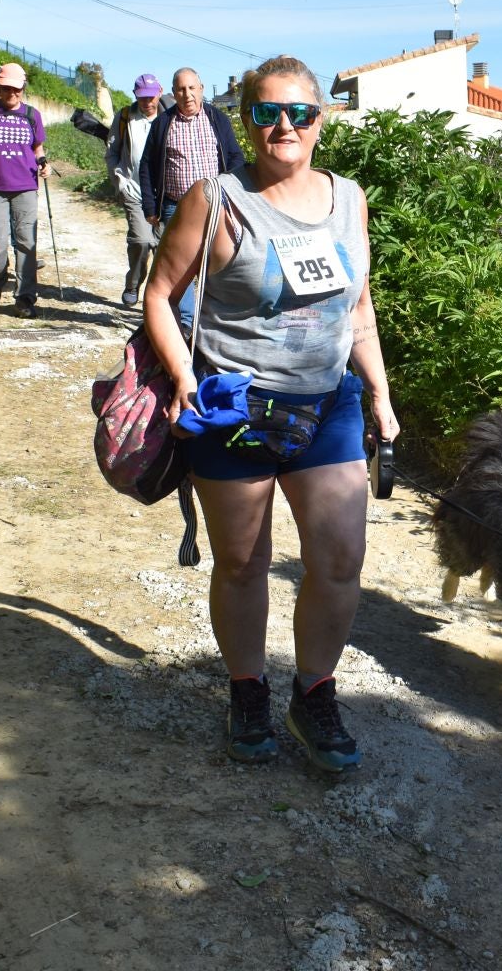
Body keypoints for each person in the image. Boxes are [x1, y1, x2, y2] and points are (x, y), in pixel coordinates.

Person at [143, 55, 399, 773]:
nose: (283, 126)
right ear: (246, 121)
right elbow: (159, 293)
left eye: (299, 113)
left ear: (322, 120)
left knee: (340, 561)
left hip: (329, 405)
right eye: (265, 113)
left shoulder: (349, 199)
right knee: (244, 561)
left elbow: (360, 307)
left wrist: (378, 392)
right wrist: (185, 376)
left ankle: (313, 692)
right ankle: (247, 689)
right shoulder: (215, 198)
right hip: (238, 411)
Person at [136, 67, 243, 237]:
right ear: (173, 93)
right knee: (179, 262)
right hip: (175, 208)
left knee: (216, 260)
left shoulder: (218, 119)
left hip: (215, 206)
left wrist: (232, 194)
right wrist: (150, 206)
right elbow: (146, 166)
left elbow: (235, 157)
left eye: (192, 88)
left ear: (201, 88)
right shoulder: (162, 124)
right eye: (181, 89)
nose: (187, 94)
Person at [0, 61, 47, 318]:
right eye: (6, 89)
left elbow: (37, 148)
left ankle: (25, 299)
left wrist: (43, 163)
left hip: (26, 186)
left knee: (27, 243)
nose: (12, 94)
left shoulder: (32, 115)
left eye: (17, 90)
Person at [106, 74, 163, 307]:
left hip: (163, 195)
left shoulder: (169, 117)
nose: (147, 102)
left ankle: (157, 298)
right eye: (142, 98)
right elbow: (112, 152)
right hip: (134, 189)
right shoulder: (125, 117)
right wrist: (118, 181)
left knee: (163, 247)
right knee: (141, 240)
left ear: (159, 93)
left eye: (151, 97)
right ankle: (133, 283)